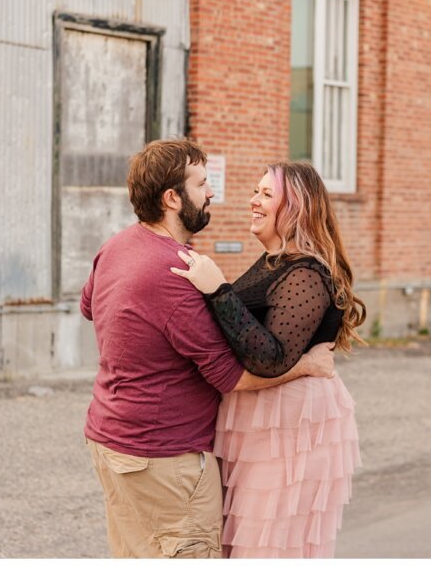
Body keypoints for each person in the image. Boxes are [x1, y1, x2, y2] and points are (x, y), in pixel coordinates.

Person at [80, 139, 336, 559]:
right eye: (202, 184)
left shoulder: (118, 246)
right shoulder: (175, 270)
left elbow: (89, 305)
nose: (212, 192)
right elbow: (229, 376)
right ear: (172, 198)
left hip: (109, 438)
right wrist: (307, 365)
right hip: (162, 455)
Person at [171, 160, 366, 558]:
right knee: (244, 538)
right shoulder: (274, 262)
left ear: (296, 208)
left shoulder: (307, 272)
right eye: (255, 192)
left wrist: (218, 290)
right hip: (259, 416)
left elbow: (269, 357)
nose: (253, 201)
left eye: (265, 195)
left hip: (289, 424)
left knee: (266, 544)